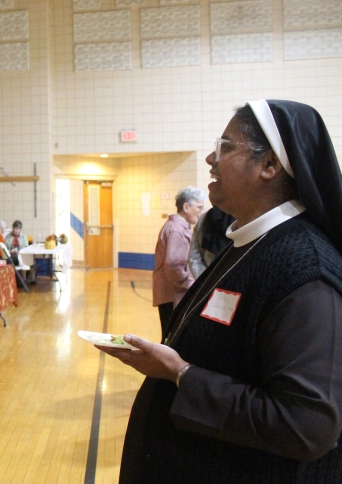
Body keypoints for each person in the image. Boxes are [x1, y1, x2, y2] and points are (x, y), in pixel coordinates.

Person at [98, 100, 342, 483]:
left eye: (226, 146)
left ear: (269, 166)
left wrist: (181, 373)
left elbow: (305, 425)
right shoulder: (253, 242)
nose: (211, 157)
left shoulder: (306, 271)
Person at [152, 187, 205, 332]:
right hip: (172, 294)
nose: (201, 212)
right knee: (171, 336)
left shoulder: (177, 226)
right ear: (186, 207)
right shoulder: (177, 230)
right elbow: (173, 266)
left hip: (170, 292)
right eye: (199, 207)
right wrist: (192, 284)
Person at [188, 205, 234, 278]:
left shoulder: (205, 217)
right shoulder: (248, 217)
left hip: (210, 281)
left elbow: (194, 258)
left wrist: (207, 283)